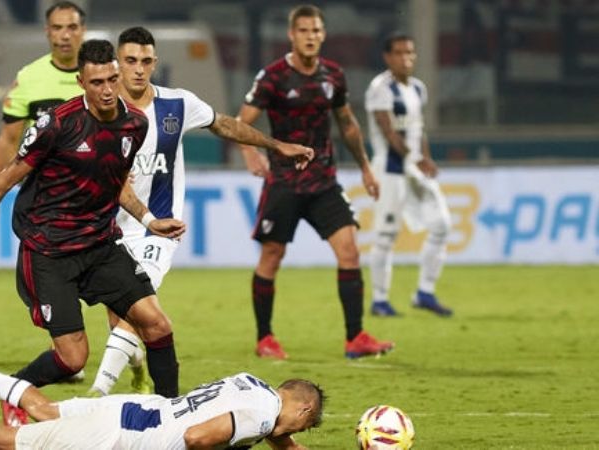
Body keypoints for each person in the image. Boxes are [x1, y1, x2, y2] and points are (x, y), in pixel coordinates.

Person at [0, 40, 185, 424]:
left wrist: (149, 220)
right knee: (73, 360)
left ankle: (172, 415)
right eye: (97, 81)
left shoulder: (134, 123)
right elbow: (5, 181)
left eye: (111, 79)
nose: (106, 89)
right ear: (80, 82)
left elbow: (117, 183)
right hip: (48, 252)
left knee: (157, 324)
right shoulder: (57, 123)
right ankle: (15, 390)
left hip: (101, 245)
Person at [88, 26, 315, 397]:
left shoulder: (176, 104)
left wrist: (275, 145)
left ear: (155, 63)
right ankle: (139, 370)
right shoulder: (99, 110)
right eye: (130, 61)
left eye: (146, 61)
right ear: (117, 64)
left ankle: (96, 395)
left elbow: (224, 124)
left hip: (157, 229)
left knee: (135, 307)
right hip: (108, 229)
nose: (139, 69)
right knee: (123, 319)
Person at [236, 4, 394, 360]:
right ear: (292, 35)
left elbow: (348, 123)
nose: (310, 37)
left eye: (316, 31)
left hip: (323, 181)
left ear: (323, 35)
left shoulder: (333, 75)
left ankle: (356, 338)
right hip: (284, 182)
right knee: (272, 255)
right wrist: (250, 153)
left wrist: (366, 168)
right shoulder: (273, 77)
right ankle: (265, 338)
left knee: (350, 250)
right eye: (304, 31)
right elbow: (242, 120)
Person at [0, 344, 324, 450]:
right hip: (115, 436)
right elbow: (200, 438)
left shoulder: (252, 386)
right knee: (0, 439)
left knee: (44, 407)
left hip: (133, 410)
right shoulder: (263, 417)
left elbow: (277, 436)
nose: (295, 433)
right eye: (306, 424)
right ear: (301, 408)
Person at [365, 34, 453, 317]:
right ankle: (379, 301)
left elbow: (418, 129)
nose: (406, 58)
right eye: (399, 53)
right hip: (390, 170)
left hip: (413, 167)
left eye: (410, 53)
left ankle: (424, 292)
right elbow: (389, 131)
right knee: (386, 235)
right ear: (387, 57)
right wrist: (416, 159)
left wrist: (425, 157)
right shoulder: (380, 89)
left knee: (442, 224)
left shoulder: (417, 88)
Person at [0, 1, 86, 227]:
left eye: (72, 27)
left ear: (83, 30)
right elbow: (9, 139)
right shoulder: (29, 78)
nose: (65, 35)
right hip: (42, 195)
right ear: (47, 32)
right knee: (43, 262)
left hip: (92, 194)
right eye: (57, 28)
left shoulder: (102, 76)